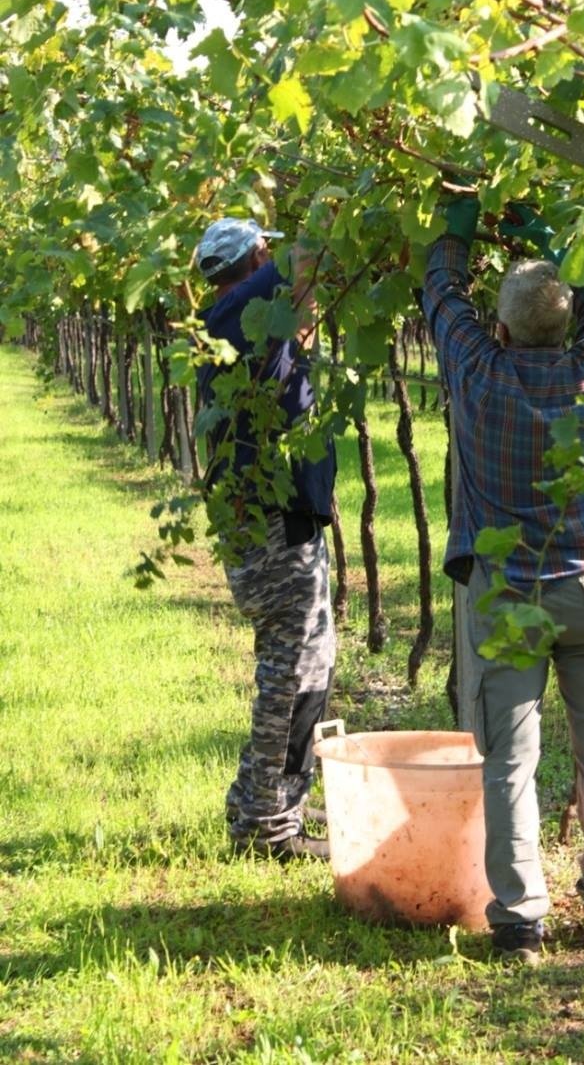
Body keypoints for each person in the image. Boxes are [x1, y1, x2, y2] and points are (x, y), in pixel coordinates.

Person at [422, 195, 584, 960]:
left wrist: (460, 223)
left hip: (509, 600)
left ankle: (519, 920)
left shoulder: (478, 373)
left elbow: (442, 296)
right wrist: (560, 247)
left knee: (510, 759)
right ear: (567, 325)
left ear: (503, 329)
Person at [194, 216, 336, 861]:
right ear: (253, 259)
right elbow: (309, 258)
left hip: (277, 520)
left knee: (304, 668)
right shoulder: (238, 312)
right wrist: (341, 202)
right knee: (291, 675)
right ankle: (265, 828)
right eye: (266, 250)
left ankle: (263, 807)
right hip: (272, 528)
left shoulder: (248, 322)